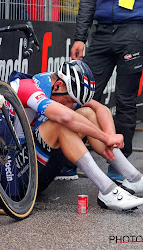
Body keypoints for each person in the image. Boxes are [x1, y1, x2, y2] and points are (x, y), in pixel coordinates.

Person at [9, 60, 143, 211]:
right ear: (58, 85)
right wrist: (104, 137)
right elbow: (66, 118)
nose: (69, 105)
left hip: (39, 168)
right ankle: (107, 191)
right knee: (61, 123)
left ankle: (133, 178)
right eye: (68, 101)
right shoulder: (28, 87)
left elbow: (101, 109)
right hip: (14, 177)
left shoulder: (60, 87)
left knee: (88, 113)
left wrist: (111, 136)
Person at [70, 0, 143, 183]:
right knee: (83, 95)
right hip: (101, 33)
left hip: (133, 32)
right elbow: (87, 2)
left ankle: (120, 165)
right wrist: (80, 37)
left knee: (125, 100)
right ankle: (69, 158)